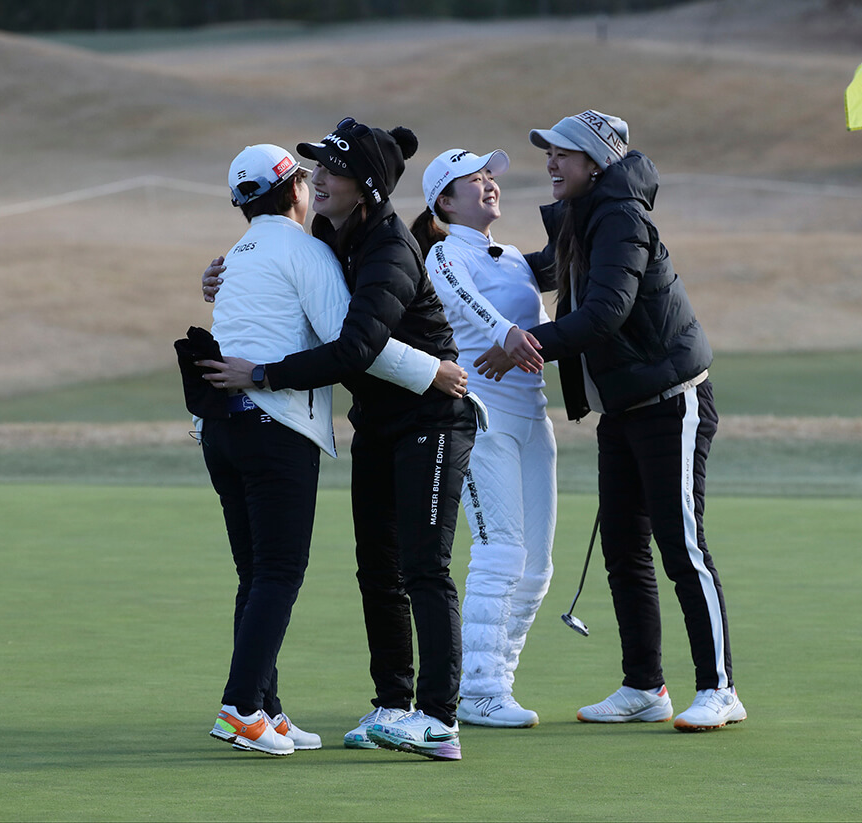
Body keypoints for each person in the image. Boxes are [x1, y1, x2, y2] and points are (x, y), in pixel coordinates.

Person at [199, 118, 480, 761]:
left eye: (333, 170)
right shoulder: (327, 233)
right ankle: (393, 705)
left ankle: (439, 720)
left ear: (367, 186)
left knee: (424, 567)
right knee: (377, 569)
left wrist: (261, 373)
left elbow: (355, 348)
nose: (320, 179)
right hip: (379, 421)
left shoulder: (389, 248)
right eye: (316, 169)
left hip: (432, 416)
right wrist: (225, 277)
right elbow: (279, 267)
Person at [478, 110, 746, 731]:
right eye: (549, 153)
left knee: (682, 547)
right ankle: (645, 687)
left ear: (596, 164)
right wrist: (458, 253)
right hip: (624, 409)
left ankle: (720, 688)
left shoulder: (620, 218)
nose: (551, 163)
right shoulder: (585, 216)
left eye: (563, 154)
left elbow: (604, 313)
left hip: (671, 402)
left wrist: (523, 344)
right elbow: (538, 270)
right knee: (624, 551)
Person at [409, 148, 555, 729]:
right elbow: (462, 300)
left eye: (491, 176)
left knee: (537, 567)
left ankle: (498, 680)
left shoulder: (515, 257)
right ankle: (478, 689)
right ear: (444, 202)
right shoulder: (444, 253)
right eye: (474, 179)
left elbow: (545, 332)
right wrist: (507, 332)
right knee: (501, 554)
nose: (489, 184)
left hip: (532, 415)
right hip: (479, 414)